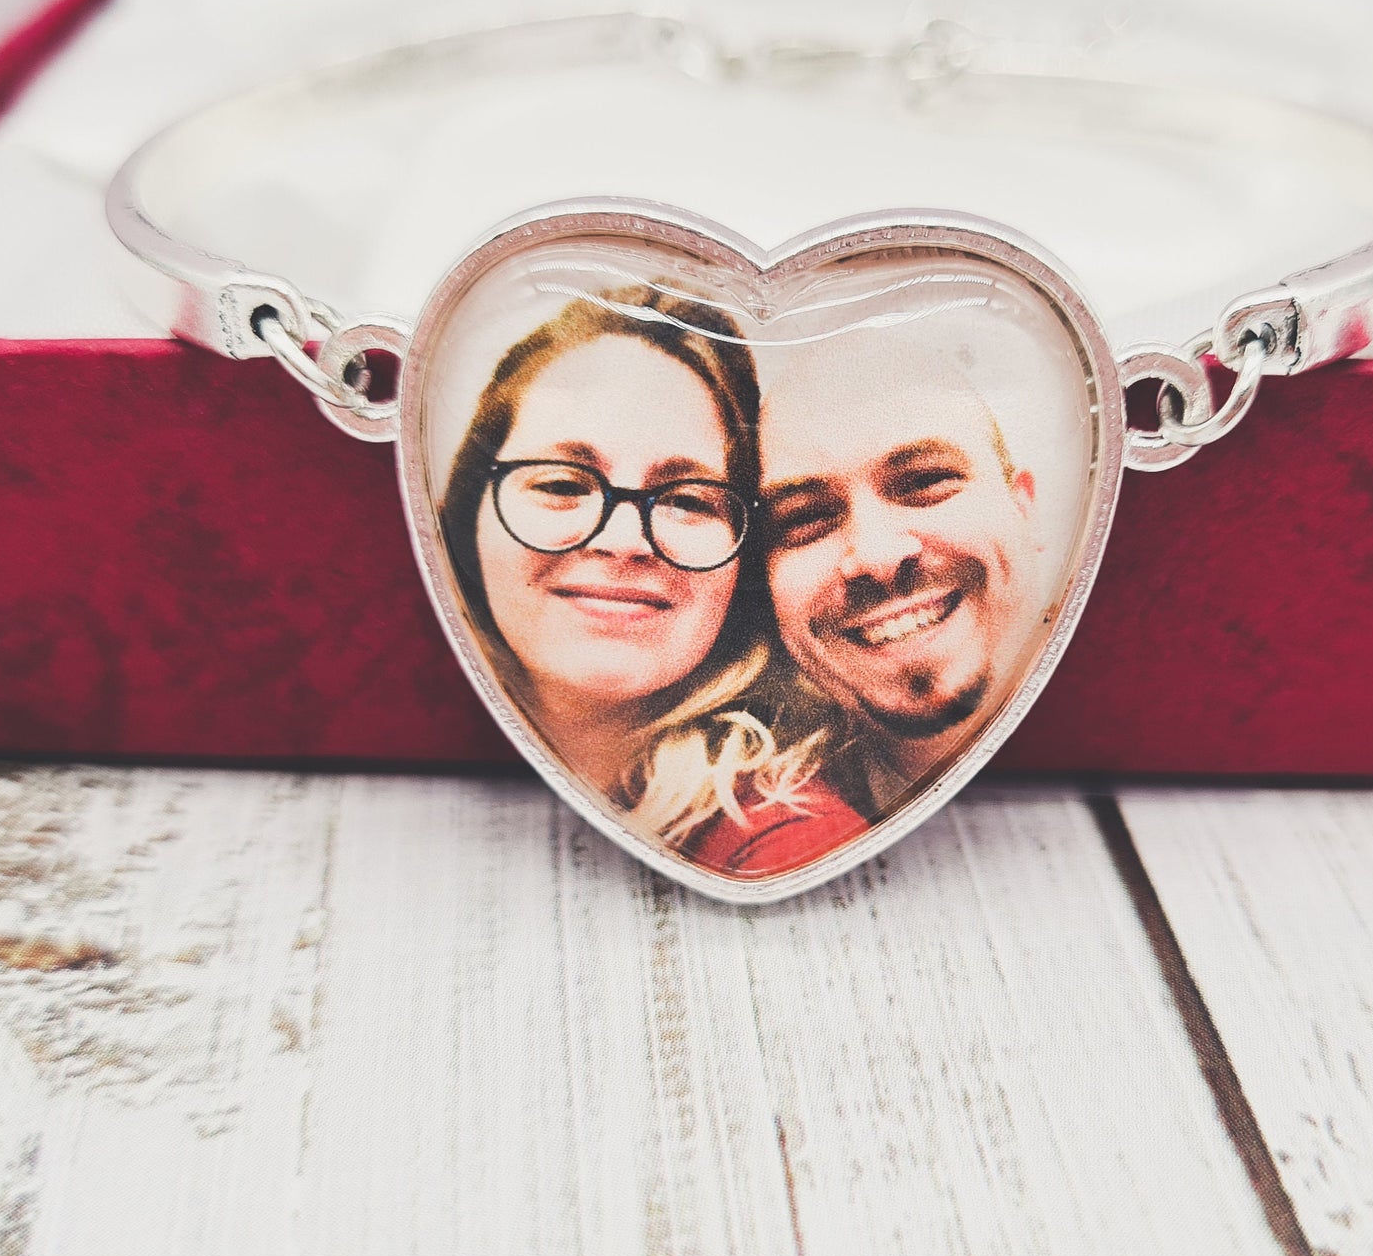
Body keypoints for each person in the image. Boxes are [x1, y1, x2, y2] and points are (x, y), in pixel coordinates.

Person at [438, 282, 867, 879]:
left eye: (688, 501)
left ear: (744, 563)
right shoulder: (417, 752)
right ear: (469, 514)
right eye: (562, 485)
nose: (622, 541)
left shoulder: (783, 834)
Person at [756, 329, 1048, 817]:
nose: (875, 557)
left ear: (1024, 509)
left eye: (925, 482)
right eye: (806, 518)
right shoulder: (760, 819)